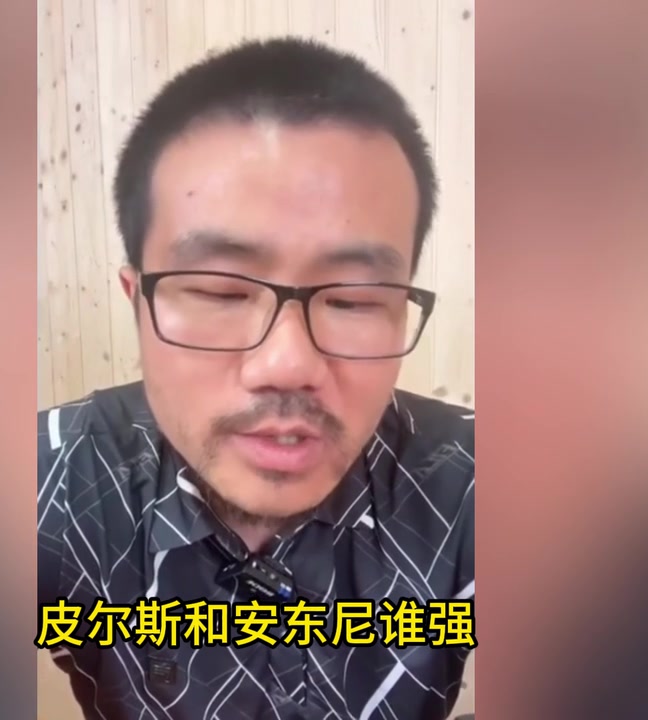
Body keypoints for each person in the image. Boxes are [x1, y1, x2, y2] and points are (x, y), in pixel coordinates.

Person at [38, 37, 474, 720]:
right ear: (137, 303)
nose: (287, 364)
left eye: (354, 300)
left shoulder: (475, 483)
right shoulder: (55, 483)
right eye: (219, 291)